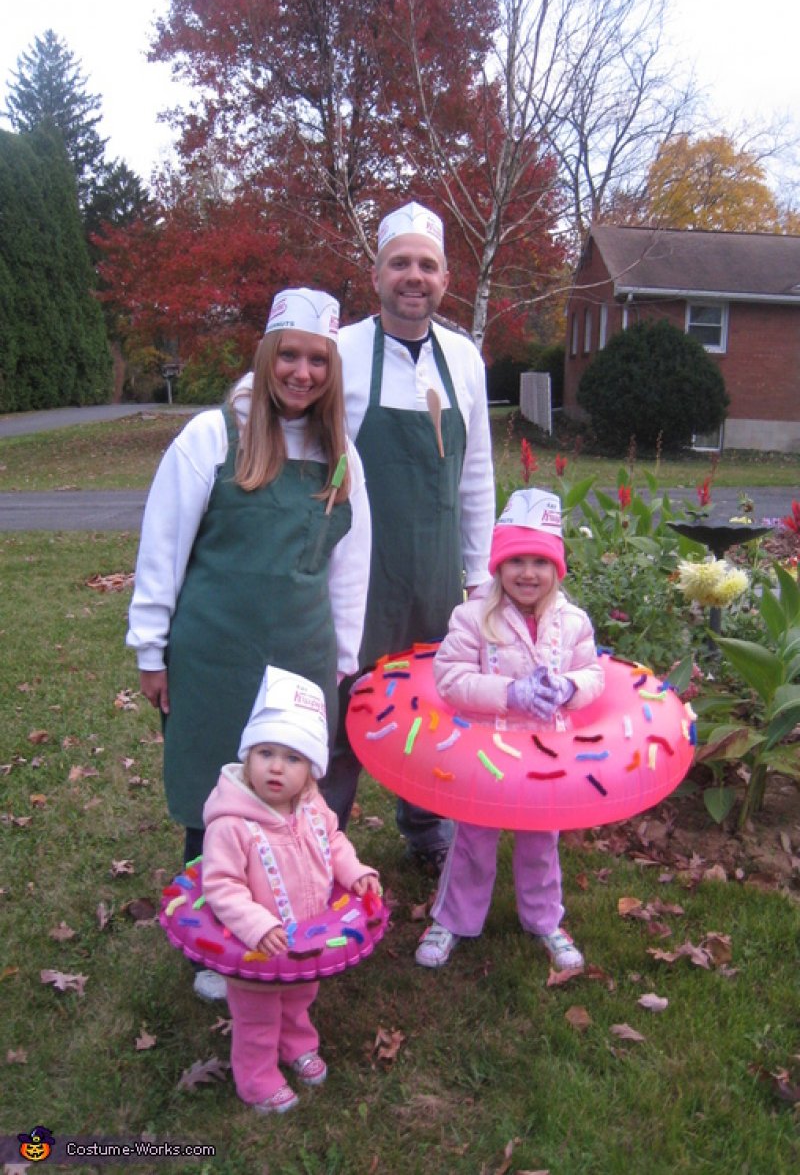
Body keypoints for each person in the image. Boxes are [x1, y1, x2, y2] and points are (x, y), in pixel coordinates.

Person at [126, 288, 371, 1003]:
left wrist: (345, 657)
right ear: (267, 356)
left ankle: (288, 915)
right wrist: (151, 647)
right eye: (289, 355)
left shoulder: (339, 453)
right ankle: (213, 930)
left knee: (286, 792)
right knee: (217, 787)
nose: (301, 372)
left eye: (316, 360)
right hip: (214, 650)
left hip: (300, 651)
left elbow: (351, 561)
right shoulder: (212, 436)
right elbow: (163, 543)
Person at [320, 202, 496, 873]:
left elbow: (475, 473)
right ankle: (319, 833)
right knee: (341, 709)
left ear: (446, 278)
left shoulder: (465, 359)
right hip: (353, 574)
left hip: (435, 577)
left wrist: (480, 579)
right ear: (377, 274)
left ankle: (426, 828)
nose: (412, 276)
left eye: (426, 264)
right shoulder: (340, 353)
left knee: (431, 707)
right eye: (401, 263)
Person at [414, 488, 604, 971]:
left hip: (546, 755)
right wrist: (509, 692)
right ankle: (454, 918)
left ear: (556, 569)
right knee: (473, 838)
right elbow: (451, 678)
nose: (527, 573)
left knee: (542, 841)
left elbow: (594, 675)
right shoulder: (474, 617)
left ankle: (544, 919)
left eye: (540, 562)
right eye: (515, 560)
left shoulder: (573, 622)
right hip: (487, 752)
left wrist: (567, 687)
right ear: (497, 565)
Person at [202, 665, 381, 1114]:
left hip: (307, 936)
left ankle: (295, 1044)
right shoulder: (231, 824)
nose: (277, 766)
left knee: (300, 996)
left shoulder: (312, 808)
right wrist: (256, 924)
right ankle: (257, 1079)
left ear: (311, 772)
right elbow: (221, 884)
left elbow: (333, 842)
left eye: (293, 757)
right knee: (257, 1017)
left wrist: (354, 871)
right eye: (265, 752)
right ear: (248, 758)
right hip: (258, 945)